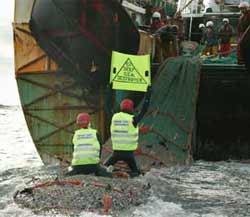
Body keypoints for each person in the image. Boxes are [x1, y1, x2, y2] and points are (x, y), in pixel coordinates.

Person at [104, 87, 152, 177]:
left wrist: (109, 90)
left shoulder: (114, 117)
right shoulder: (133, 119)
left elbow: (107, 106)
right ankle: (133, 174)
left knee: (103, 168)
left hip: (116, 153)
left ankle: (110, 171)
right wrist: (148, 94)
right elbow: (144, 110)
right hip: (129, 154)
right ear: (131, 109)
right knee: (136, 172)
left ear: (121, 107)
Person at [66, 113, 112, 177]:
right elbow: (100, 148)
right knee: (108, 174)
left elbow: (73, 150)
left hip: (77, 166)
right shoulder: (95, 133)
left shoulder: (75, 134)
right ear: (89, 122)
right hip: (93, 165)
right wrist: (97, 159)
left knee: (68, 174)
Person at [237, 1, 250, 71]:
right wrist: (239, 37)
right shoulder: (241, 17)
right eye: (241, 8)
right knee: (243, 51)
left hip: (248, 38)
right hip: (243, 38)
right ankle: (245, 64)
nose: (242, 10)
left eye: (243, 8)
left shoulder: (249, 15)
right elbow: (239, 28)